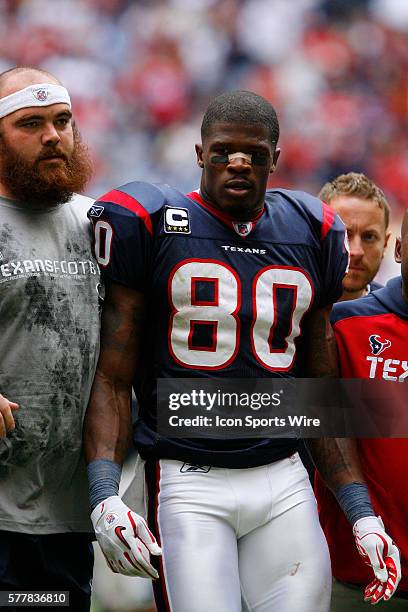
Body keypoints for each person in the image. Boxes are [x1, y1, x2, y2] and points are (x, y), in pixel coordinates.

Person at [84, 90, 398, 612]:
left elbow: (319, 394)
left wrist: (361, 513)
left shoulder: (310, 231)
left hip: (282, 475)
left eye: (253, 153)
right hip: (187, 478)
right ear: (198, 152)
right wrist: (103, 492)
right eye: (223, 150)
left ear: (275, 158)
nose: (238, 163)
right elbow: (114, 376)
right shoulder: (154, 222)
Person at [0, 66, 99, 611]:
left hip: (68, 512)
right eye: (30, 124)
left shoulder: (97, 223)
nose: (53, 136)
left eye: (62, 121)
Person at [315, 208, 408, 610]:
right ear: (401, 250)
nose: (353, 251)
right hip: (359, 576)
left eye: (367, 236)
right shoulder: (345, 324)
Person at [319, 172, 391, 301]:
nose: (356, 252)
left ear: (385, 244)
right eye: (344, 234)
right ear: (317, 237)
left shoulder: (398, 316)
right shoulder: (287, 309)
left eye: (369, 237)